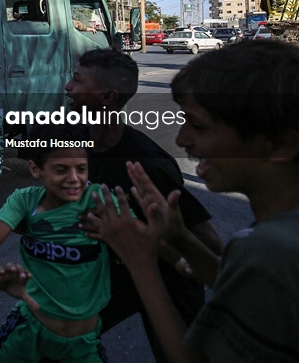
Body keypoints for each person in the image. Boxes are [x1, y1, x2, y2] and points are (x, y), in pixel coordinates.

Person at [86, 40, 299, 363]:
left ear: (280, 145)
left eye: (198, 126)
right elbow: (247, 291)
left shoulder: (269, 254)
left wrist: (140, 260)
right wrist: (180, 238)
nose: (182, 139)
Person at [66, 49, 222, 363]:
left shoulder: (146, 163)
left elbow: (210, 242)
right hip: (114, 276)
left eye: (77, 80)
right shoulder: (75, 139)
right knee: (52, 342)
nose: (68, 86)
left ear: (108, 96)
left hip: (168, 279)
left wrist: (146, 237)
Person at [0, 128, 121, 363]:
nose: (74, 178)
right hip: (27, 330)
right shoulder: (25, 200)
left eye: (81, 168)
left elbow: (143, 240)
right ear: (36, 169)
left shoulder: (99, 201)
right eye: (61, 169)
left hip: (82, 344)